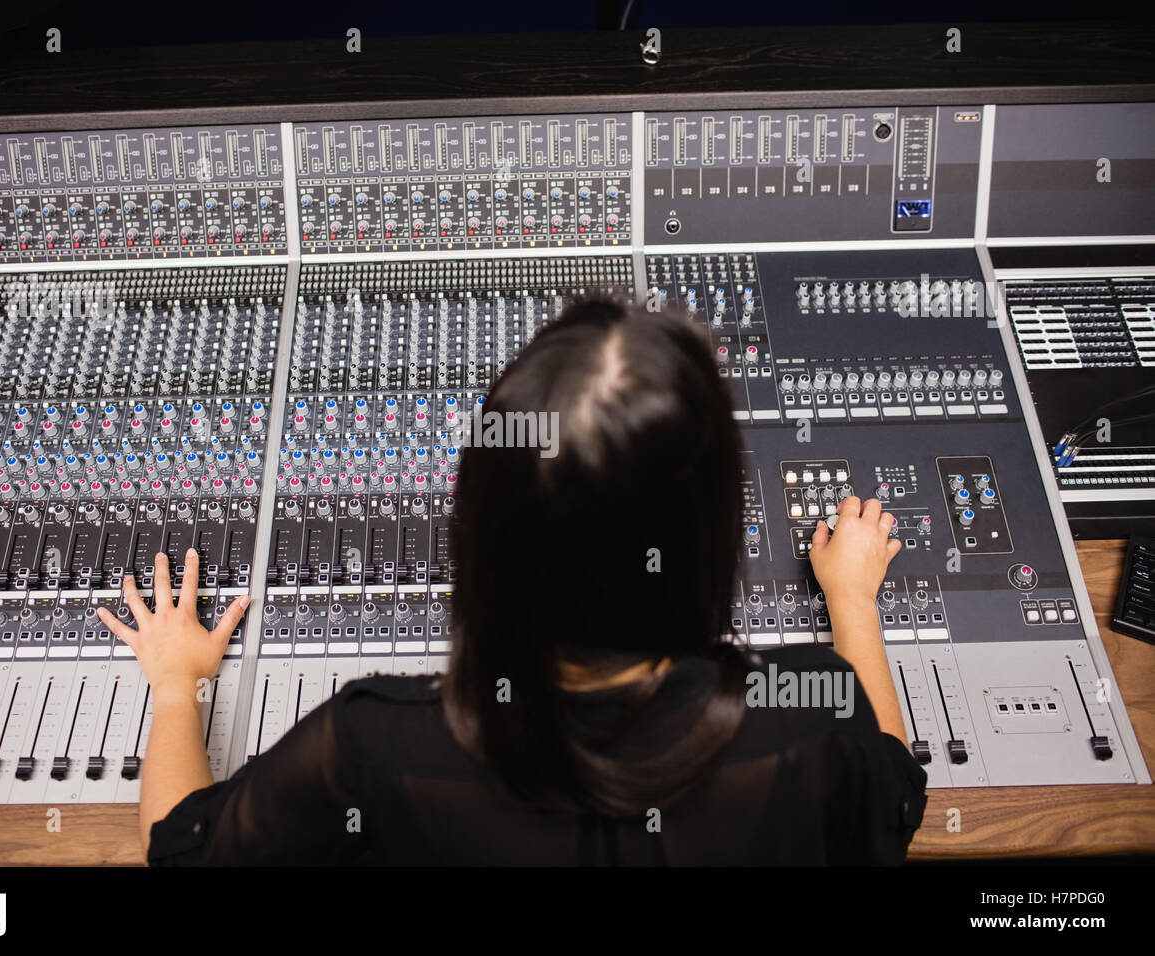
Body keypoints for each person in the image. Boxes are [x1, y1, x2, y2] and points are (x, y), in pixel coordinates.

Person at [98, 295, 927, 865]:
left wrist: (176, 684)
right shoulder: (814, 718)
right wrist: (852, 604)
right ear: (710, 536)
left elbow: (183, 849)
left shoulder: (370, 747)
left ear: (484, 534)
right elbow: (894, 798)